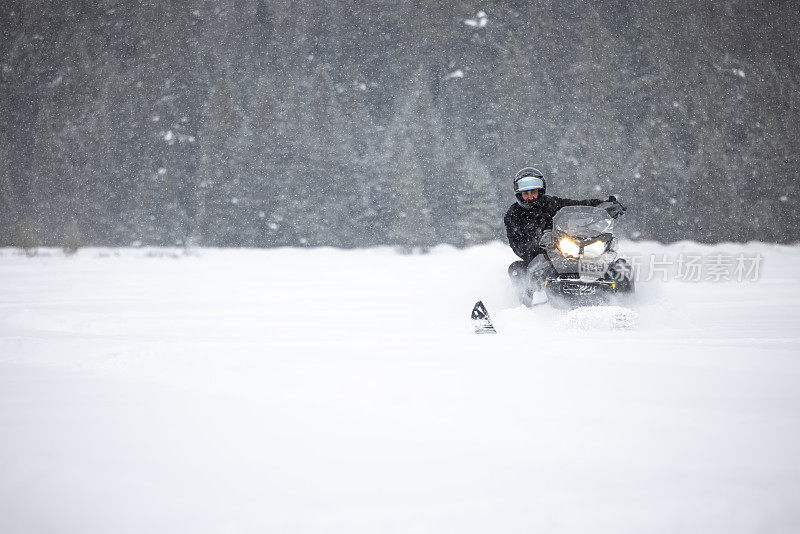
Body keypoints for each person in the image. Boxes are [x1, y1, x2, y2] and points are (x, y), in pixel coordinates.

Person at [504, 167, 625, 304]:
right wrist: (540, 246)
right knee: (517, 269)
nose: (531, 196)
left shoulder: (551, 203)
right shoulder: (513, 214)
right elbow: (517, 245)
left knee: (618, 265)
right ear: (519, 194)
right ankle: (526, 306)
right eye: (526, 193)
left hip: (564, 249)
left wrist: (603, 205)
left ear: (540, 191)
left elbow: (578, 205)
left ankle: (624, 300)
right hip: (541, 255)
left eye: (534, 192)